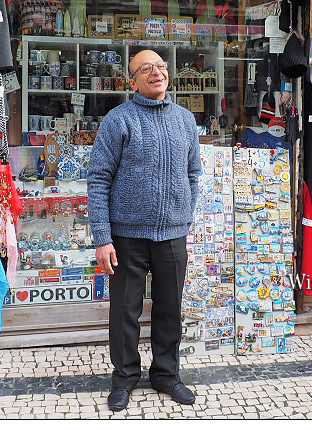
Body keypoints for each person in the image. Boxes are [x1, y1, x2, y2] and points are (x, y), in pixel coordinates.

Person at [88, 49, 201, 412]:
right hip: (126, 236)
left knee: (170, 309)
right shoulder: (118, 120)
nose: (157, 73)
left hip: (172, 234)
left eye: (162, 67)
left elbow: (193, 174)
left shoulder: (185, 120)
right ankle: (124, 378)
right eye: (146, 69)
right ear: (131, 80)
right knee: (125, 311)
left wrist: (183, 213)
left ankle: (167, 375)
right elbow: (98, 179)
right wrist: (103, 238)